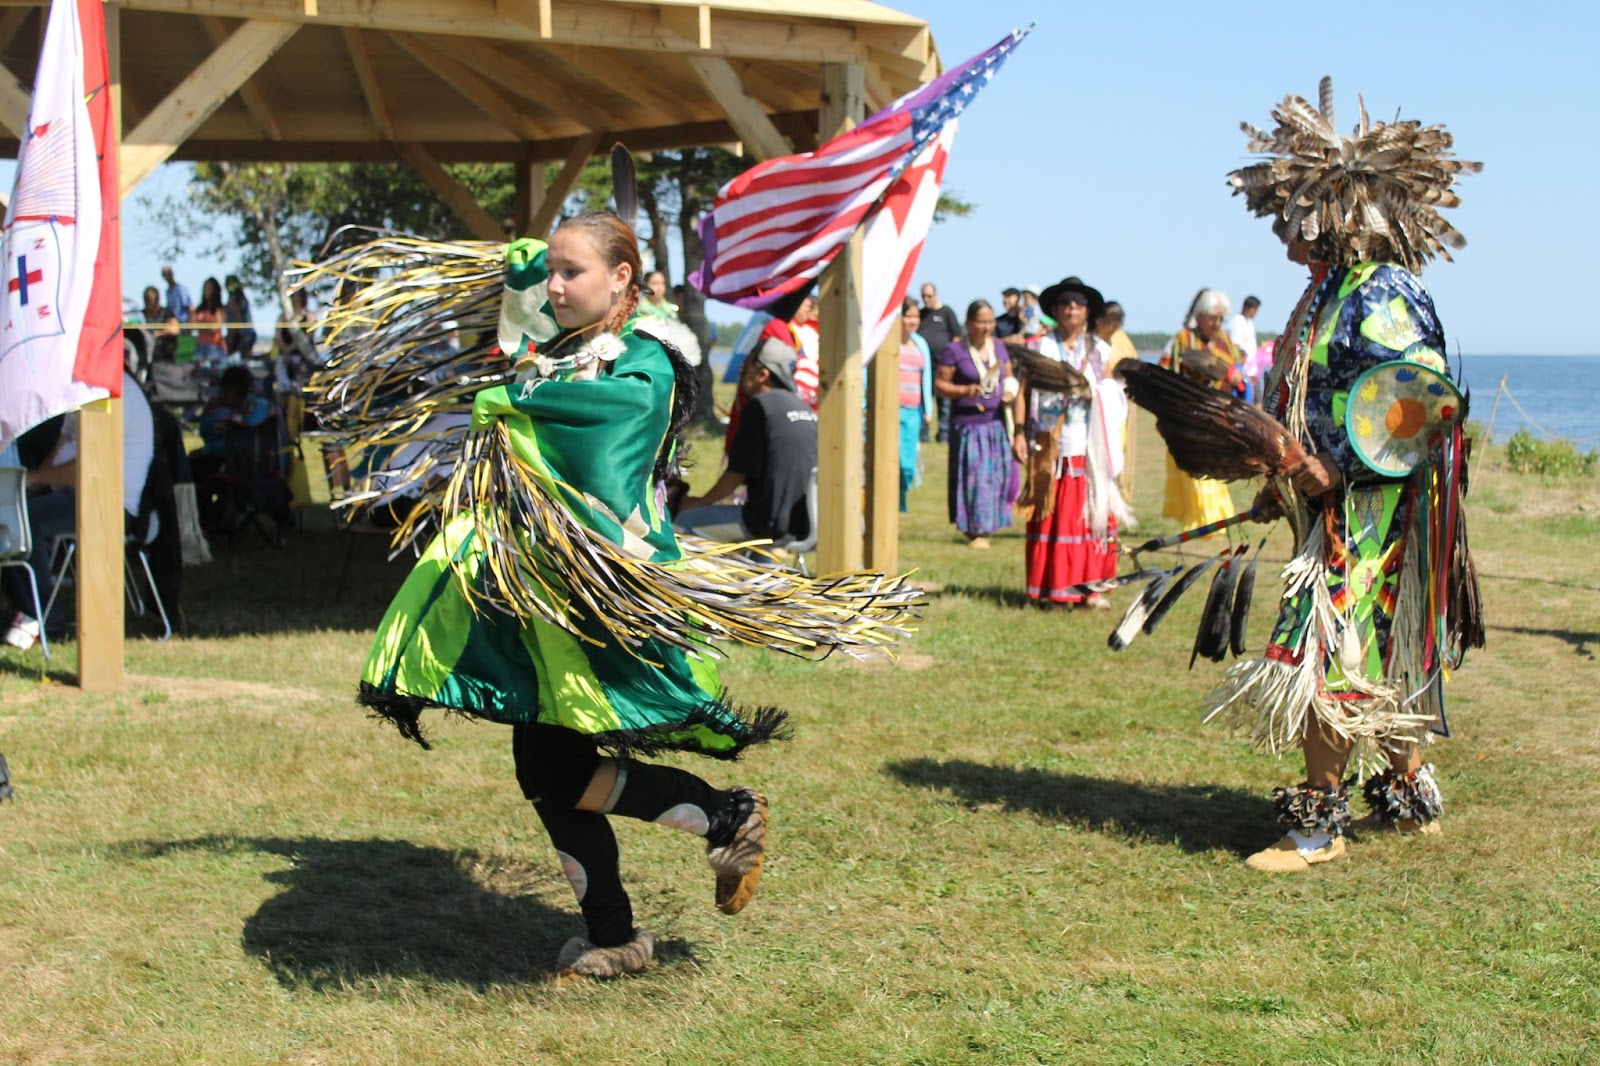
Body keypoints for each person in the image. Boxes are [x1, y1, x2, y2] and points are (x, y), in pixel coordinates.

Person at [304, 207, 915, 979]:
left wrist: (522, 404)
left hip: (597, 591)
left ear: (622, 278)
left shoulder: (648, 359)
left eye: (572, 272)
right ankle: (617, 932)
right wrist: (523, 274)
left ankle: (723, 816)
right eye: (552, 272)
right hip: (545, 592)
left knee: (553, 769)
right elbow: (520, 332)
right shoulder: (577, 344)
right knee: (548, 770)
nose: (556, 287)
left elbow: (610, 423)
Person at [1210, 78, 1483, 871]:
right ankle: (1409, 797)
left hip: (1374, 510)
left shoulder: (1384, 293)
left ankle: (1317, 826)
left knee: (1328, 650)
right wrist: (1283, 475)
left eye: (1294, 215)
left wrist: (1340, 465)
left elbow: (1421, 401)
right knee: (1383, 651)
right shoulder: (1326, 294)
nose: (1284, 230)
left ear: (1337, 213)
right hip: (1329, 501)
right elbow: (1309, 399)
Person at [1, 372, 158, 647]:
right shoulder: (85, 388)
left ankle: (44, 617)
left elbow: (88, 465)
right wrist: (25, 486)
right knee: (9, 514)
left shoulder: (113, 391)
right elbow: (59, 452)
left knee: (21, 520)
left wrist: (33, 479)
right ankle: (28, 607)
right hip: (77, 492)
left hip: (108, 502)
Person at [1015, 278, 1129, 607]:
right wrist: (1020, 431)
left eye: (1078, 303)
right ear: (1054, 309)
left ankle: (1090, 589)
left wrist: (1095, 392)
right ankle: (1050, 587)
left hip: (1088, 443)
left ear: (1088, 311)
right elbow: (1023, 393)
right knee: (1048, 511)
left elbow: (1112, 392)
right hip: (1049, 441)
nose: (1071, 308)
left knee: (1091, 513)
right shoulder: (1039, 347)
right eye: (1065, 302)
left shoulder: (1099, 351)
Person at [677, 338, 817, 546]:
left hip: (767, 524)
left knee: (683, 522)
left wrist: (698, 502)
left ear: (762, 375)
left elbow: (735, 475)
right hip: (806, 523)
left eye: (745, 366)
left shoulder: (759, 407)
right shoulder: (804, 408)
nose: (741, 373)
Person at [934, 299, 1016, 549]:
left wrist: (1010, 392)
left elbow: (1010, 376)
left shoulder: (999, 348)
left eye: (990, 321)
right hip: (968, 426)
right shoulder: (955, 351)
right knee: (974, 479)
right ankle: (974, 529)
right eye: (981, 321)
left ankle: (989, 524)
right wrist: (963, 390)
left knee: (994, 477)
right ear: (969, 323)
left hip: (995, 424)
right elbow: (940, 384)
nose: (987, 326)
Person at [1160, 289, 1243, 532]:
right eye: (1211, 318)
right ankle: (1198, 517)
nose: (1216, 324)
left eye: (1220, 319)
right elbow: (1168, 374)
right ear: (1200, 316)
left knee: (1214, 467)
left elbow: (1237, 369)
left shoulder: (1225, 342)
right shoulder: (1183, 340)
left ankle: (1214, 517)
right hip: (1189, 414)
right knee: (1193, 468)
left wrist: (1236, 376)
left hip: (1219, 414)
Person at [895, 298, 934, 511]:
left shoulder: (920, 343)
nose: (912, 321)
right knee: (895, 459)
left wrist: (928, 409)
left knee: (909, 463)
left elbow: (926, 376)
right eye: (908, 316)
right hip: (891, 410)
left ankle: (902, 496)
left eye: (915, 316)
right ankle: (893, 500)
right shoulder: (890, 343)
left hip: (913, 412)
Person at [918, 282, 961, 442]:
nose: (926, 299)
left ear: (935, 294)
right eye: (923, 296)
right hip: (924, 366)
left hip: (943, 366)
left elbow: (956, 336)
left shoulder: (946, 312)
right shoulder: (921, 314)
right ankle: (923, 434)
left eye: (929, 296)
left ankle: (944, 434)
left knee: (944, 403)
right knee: (923, 400)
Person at [1094, 300, 1139, 373]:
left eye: (1117, 325)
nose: (1112, 329)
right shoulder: (1087, 341)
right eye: (1110, 324)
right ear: (1099, 320)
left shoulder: (1121, 338)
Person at [192, 277, 227, 365]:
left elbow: (215, 328)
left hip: (214, 346)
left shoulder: (219, 308)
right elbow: (192, 325)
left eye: (209, 288)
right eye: (205, 288)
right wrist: (206, 327)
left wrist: (200, 326)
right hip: (200, 345)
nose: (206, 291)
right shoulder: (200, 309)